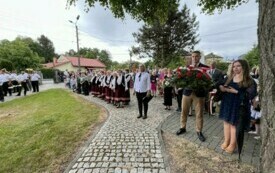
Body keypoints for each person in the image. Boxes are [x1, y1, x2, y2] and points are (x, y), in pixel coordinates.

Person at [219, 59, 256, 153]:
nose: (235, 68)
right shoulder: (230, 77)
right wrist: (222, 88)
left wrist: (235, 91)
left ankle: (233, 144)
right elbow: (220, 84)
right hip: (227, 103)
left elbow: (249, 96)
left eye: (238, 66)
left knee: (234, 125)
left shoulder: (249, 80)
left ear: (244, 67)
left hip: (239, 106)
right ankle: (226, 141)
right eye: (234, 66)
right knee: (226, 122)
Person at [176, 50, 209, 142]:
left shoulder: (205, 68)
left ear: (200, 57)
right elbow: (182, 79)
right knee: (184, 111)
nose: (194, 58)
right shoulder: (186, 68)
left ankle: (199, 131)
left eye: (196, 56)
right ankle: (183, 127)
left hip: (199, 94)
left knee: (199, 114)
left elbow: (208, 82)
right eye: (193, 56)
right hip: (187, 93)